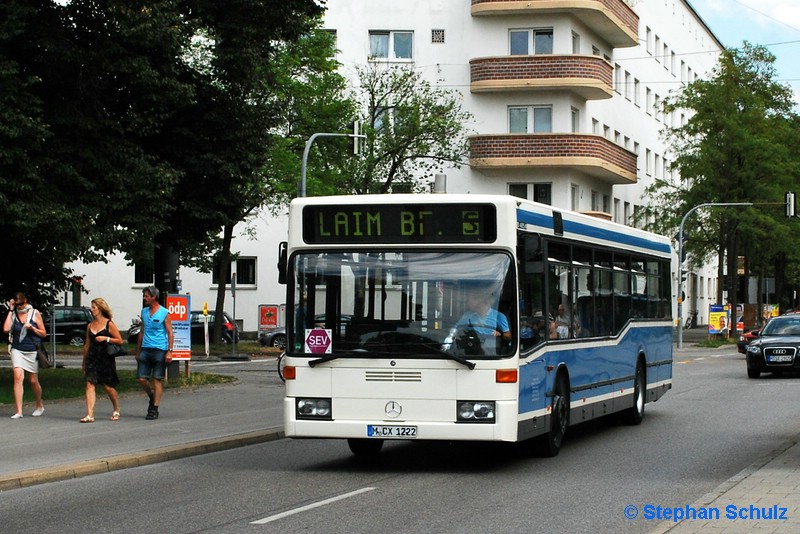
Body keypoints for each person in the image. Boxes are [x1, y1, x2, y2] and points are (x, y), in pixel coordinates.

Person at [3, 292, 46, 419]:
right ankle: (19, 411)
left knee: (33, 380)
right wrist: (10, 310)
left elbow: (43, 333)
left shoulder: (34, 313)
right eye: (17, 305)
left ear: (26, 301)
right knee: (17, 377)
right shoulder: (14, 313)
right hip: (17, 348)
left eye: (21, 304)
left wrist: (32, 328)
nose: (20, 307)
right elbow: (6, 329)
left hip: (32, 349)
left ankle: (39, 405)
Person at [79, 298, 123, 423]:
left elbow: (119, 340)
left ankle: (116, 408)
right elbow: (87, 345)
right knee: (89, 384)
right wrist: (84, 361)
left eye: (94, 307)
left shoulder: (109, 324)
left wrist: (106, 338)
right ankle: (90, 414)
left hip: (106, 358)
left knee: (108, 386)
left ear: (100, 308)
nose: (91, 310)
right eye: (91, 307)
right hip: (92, 358)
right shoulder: (90, 325)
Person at [135, 286, 174, 420]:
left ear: (153, 297)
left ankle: (154, 408)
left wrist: (169, 351)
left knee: (157, 379)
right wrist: (138, 350)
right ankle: (152, 396)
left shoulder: (164, 312)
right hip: (146, 348)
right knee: (141, 378)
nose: (144, 298)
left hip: (160, 349)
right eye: (144, 296)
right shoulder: (144, 312)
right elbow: (142, 331)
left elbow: (170, 332)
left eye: (146, 296)